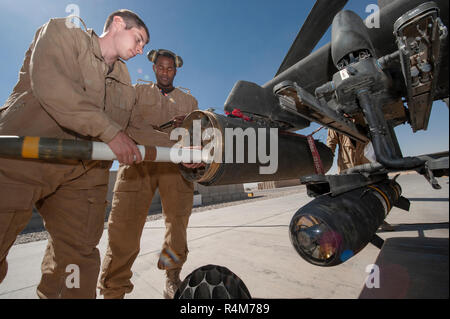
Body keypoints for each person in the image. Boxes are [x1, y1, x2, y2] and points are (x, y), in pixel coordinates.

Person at [0, 9, 149, 298]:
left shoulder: (124, 85)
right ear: (118, 23)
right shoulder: (65, 33)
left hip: (80, 173)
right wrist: (110, 132)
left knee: (77, 259)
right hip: (22, 157)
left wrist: (181, 149)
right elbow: (54, 87)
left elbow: (135, 128)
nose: (141, 50)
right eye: (139, 38)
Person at [98, 49, 200, 299]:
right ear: (154, 68)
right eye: (161, 67)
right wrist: (173, 141)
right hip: (138, 163)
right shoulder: (137, 92)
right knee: (124, 227)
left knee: (177, 225)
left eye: (170, 68)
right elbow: (132, 126)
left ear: (175, 71)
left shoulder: (190, 103)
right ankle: (114, 290)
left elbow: (198, 135)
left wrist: (186, 125)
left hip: (175, 168)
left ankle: (172, 276)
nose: (165, 72)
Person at [326, 128, 395, 231]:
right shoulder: (333, 121)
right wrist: (325, 161)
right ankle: (352, 224)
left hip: (364, 159)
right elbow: (331, 143)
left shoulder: (360, 115)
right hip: (347, 162)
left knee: (370, 192)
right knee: (349, 196)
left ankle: (378, 220)